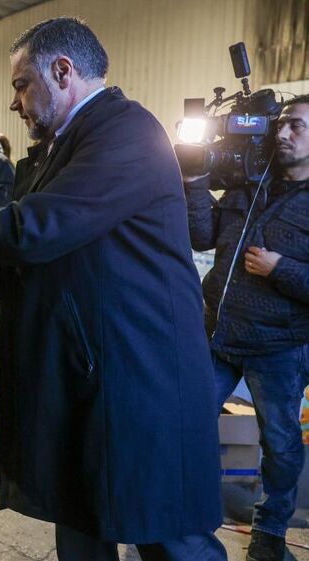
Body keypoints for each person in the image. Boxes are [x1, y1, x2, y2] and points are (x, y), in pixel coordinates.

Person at [0, 17, 226, 561]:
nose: (15, 103)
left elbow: (32, 232)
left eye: (21, 85)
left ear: (62, 71)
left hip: (139, 379)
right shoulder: (61, 147)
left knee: (169, 536)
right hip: (89, 375)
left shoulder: (125, 132)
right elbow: (26, 265)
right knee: (81, 518)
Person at [184, 94, 309, 561]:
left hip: (278, 346)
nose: (282, 133)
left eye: (296, 126)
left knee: (279, 443)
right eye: (281, 124)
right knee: (185, 421)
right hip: (218, 333)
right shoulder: (250, 184)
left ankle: (271, 528)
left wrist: (281, 269)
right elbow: (202, 234)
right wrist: (194, 181)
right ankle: (184, 508)